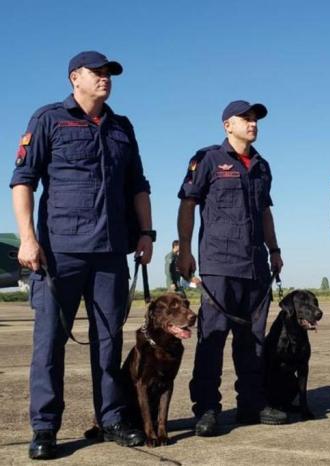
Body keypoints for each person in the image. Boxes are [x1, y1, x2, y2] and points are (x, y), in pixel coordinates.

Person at [10, 51, 153, 459]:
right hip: (60, 252)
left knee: (109, 342)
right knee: (49, 344)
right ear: (76, 77)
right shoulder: (49, 119)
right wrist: (27, 238)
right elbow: (23, 180)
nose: (106, 78)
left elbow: (138, 185)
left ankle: (111, 418)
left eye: (110, 73)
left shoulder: (122, 127)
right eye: (98, 72)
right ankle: (45, 426)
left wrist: (146, 233)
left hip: (110, 253)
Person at [177, 100, 286, 435]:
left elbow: (265, 212)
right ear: (228, 125)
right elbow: (188, 204)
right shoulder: (208, 159)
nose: (252, 124)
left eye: (255, 119)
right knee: (212, 339)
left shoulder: (262, 165)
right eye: (246, 119)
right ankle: (207, 409)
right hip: (219, 265)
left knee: (252, 340)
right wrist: (184, 250)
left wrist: (274, 250)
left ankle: (251, 404)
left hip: (255, 265)